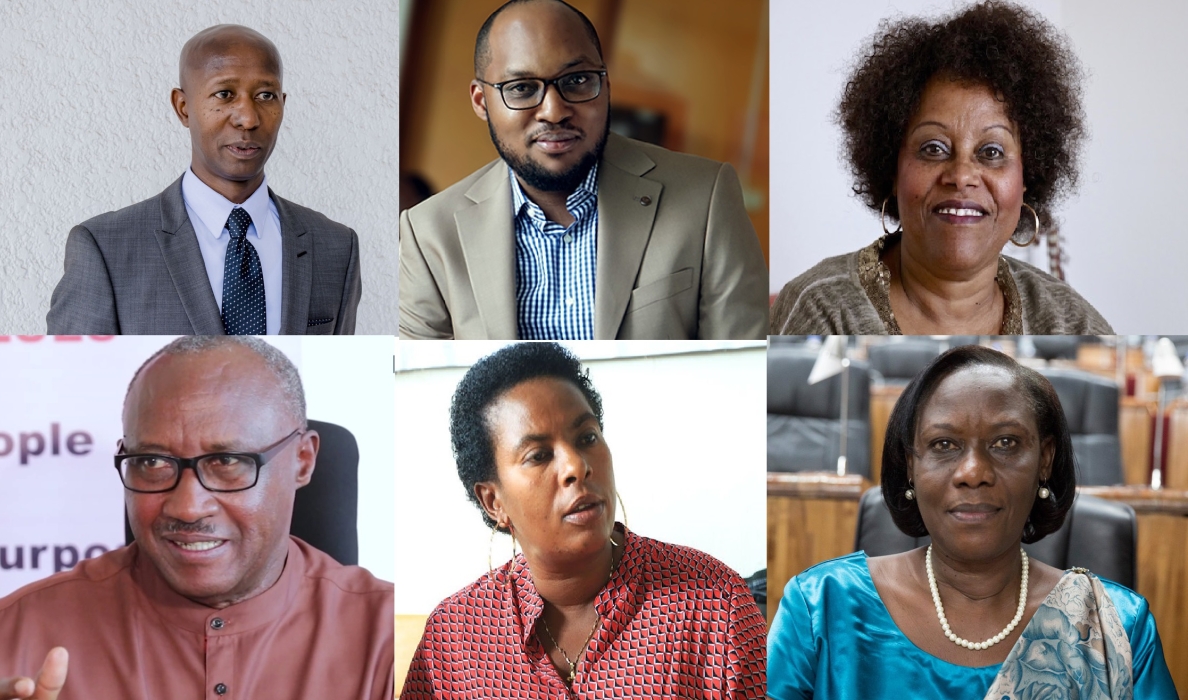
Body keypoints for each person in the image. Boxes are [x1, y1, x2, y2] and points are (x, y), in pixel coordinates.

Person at [0, 337, 393, 699]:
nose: (187, 507)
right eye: (151, 461)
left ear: (302, 461)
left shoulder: (388, 642)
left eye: (227, 461)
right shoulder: (8, 641)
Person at [767, 346, 1176, 699]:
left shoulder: (1117, 625)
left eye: (1005, 443)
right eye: (944, 445)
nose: (973, 471)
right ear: (911, 466)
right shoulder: (820, 606)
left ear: (1045, 461)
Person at [401, 343, 766, 698]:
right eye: (539, 455)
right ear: (494, 501)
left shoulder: (716, 603)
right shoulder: (451, 641)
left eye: (587, 437)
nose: (576, 466)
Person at [399, 0, 768, 341]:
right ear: (482, 102)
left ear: (605, 86)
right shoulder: (428, 233)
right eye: (522, 87)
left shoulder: (706, 196)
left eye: (576, 81)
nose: (553, 111)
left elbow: (742, 367)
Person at [770, 2, 1112, 335]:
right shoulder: (819, 308)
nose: (961, 176)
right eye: (933, 149)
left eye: (991, 152)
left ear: (1028, 177)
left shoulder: (1073, 324)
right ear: (892, 168)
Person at [47, 25, 361, 335]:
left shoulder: (336, 245)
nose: (248, 118)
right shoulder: (106, 247)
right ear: (182, 107)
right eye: (224, 94)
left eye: (266, 95)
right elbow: (72, 383)